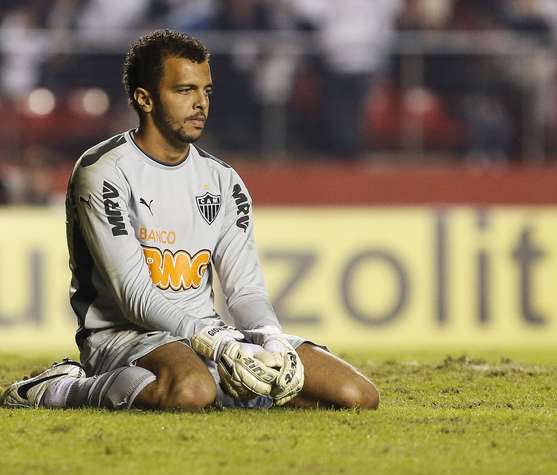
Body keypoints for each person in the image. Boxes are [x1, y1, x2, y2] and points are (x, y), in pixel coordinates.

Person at [1, 29, 379, 411]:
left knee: (357, 396)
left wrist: (270, 338)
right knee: (192, 391)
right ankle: (60, 388)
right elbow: (134, 297)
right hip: (125, 338)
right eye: (184, 90)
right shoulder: (103, 171)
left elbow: (245, 290)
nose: (200, 103)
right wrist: (215, 341)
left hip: (210, 337)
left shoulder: (223, 180)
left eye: (206, 91)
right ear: (144, 98)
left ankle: (219, 383)